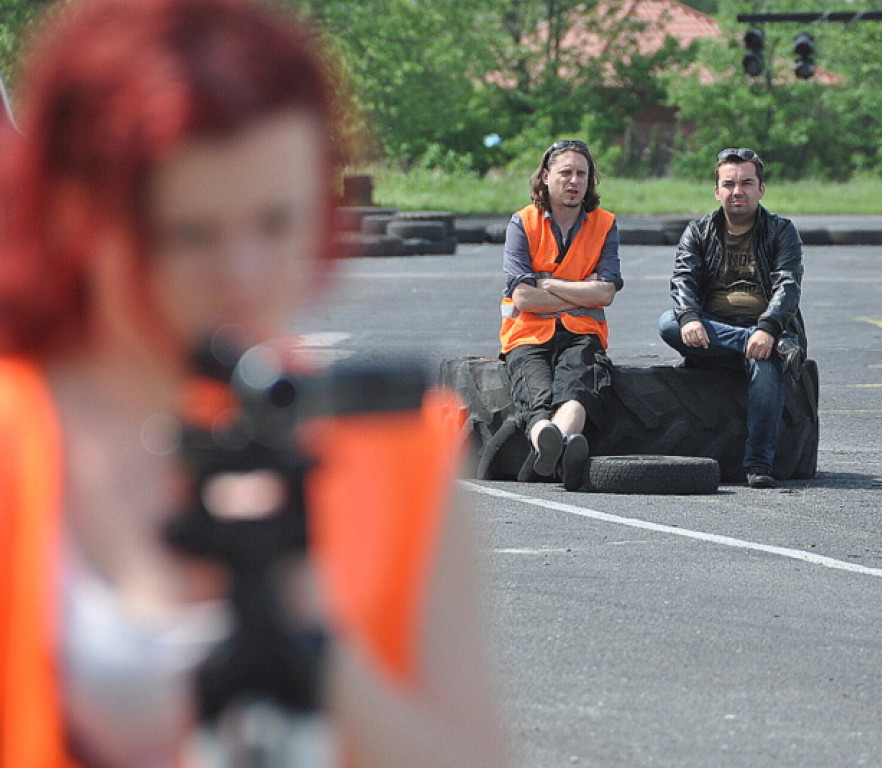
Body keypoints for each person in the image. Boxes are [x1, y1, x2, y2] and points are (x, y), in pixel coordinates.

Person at [0, 1, 508, 766]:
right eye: (189, 233)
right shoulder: (16, 427)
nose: (243, 277)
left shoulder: (398, 446)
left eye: (276, 223)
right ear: (75, 211)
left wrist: (311, 643)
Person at [657, 147, 806, 489]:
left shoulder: (782, 230)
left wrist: (767, 329)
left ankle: (758, 464)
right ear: (717, 191)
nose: (737, 190)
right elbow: (683, 280)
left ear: (761, 190)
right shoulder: (698, 231)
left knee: (766, 370)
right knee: (668, 323)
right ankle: (763, 345)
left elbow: (788, 285)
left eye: (746, 183)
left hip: (764, 330)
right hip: (713, 333)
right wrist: (690, 318)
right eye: (729, 184)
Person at [499, 139, 623, 491]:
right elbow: (523, 298)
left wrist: (550, 284)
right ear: (546, 176)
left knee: (578, 389)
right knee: (535, 394)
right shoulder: (522, 222)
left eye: (581, 174)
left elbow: (606, 292)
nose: (574, 181)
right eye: (565, 172)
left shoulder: (605, 224)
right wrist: (581, 290)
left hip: (582, 332)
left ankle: (557, 444)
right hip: (526, 334)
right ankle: (554, 441)